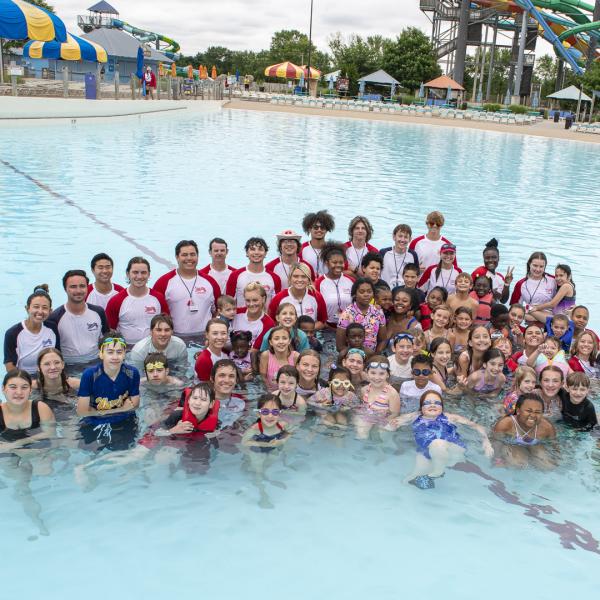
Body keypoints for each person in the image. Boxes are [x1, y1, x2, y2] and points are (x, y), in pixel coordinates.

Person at [388, 390, 493, 489]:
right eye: (427, 402)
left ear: (442, 407)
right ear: (421, 407)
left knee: (437, 444)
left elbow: (476, 426)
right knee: (408, 481)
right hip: (426, 452)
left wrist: (486, 442)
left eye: (437, 403)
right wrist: (392, 427)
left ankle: (436, 474)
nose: (432, 405)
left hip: (452, 451)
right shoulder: (414, 416)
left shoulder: (450, 417)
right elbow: (389, 425)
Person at [76, 332, 140, 451]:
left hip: (124, 421)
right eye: (110, 352)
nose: (115, 357)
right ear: (101, 354)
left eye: (119, 352)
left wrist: (99, 411)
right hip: (94, 422)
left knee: (127, 454)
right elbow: (82, 412)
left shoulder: (132, 373)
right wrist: (120, 409)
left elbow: (135, 405)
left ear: (125, 354)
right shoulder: (90, 375)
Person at [153, 240, 221, 337]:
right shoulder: (164, 282)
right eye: (184, 255)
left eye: (192, 254)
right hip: (175, 336)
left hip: (204, 336)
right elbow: (156, 314)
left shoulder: (210, 282)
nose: (189, 258)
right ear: (177, 257)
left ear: (197, 256)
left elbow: (218, 310)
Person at [46, 269, 108, 365]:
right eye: (73, 287)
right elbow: (53, 351)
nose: (78, 291)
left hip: (96, 362)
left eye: (82, 286)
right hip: (69, 366)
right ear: (65, 289)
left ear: (87, 287)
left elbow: (107, 340)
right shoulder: (55, 318)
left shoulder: (98, 312)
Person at [105, 257, 169, 345]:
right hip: (127, 349)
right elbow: (110, 331)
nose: (139, 276)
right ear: (128, 274)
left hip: (153, 348)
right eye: (135, 272)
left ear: (149, 274)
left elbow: (167, 326)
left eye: (143, 273)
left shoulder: (158, 298)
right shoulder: (116, 301)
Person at [4, 285, 59, 375]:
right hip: (23, 377)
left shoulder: (52, 328)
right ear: (27, 308)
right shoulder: (13, 333)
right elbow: (10, 367)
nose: (40, 311)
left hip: (48, 375)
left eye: (45, 308)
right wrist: (30, 383)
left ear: (50, 311)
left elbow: (58, 356)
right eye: (36, 307)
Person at [492, 393, 557, 470]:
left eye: (537, 412)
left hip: (535, 445)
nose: (533, 415)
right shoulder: (506, 424)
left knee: (548, 466)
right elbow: (495, 442)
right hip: (512, 444)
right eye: (529, 411)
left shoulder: (547, 427)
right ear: (518, 411)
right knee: (518, 463)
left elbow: (555, 447)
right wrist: (497, 460)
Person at [0, 370, 55, 453]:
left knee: (44, 463)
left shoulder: (40, 408)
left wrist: (17, 444)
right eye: (13, 387)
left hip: (36, 447)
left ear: (30, 391)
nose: (19, 392)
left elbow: (50, 433)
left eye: (24, 387)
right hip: (7, 447)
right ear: (3, 389)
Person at [268, 262, 327, 328]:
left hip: (310, 336)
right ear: (290, 278)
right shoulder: (279, 298)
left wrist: (307, 331)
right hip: (287, 337)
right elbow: (272, 321)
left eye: (303, 276)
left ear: (309, 279)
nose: (299, 280)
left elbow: (322, 321)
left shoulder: (316, 296)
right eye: (296, 276)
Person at [354, 356, 400, 439]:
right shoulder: (364, 390)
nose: (377, 377)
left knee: (383, 432)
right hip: (368, 416)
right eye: (373, 373)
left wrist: (377, 424)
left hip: (383, 420)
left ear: (388, 374)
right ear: (367, 372)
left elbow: (394, 414)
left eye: (381, 373)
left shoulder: (392, 394)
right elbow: (362, 407)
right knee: (361, 433)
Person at [226, 237, 281, 306]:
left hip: (265, 316)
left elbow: (276, 306)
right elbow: (228, 305)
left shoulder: (275, 278)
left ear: (265, 253)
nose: (256, 252)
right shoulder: (235, 276)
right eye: (252, 249)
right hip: (241, 316)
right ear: (247, 252)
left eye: (260, 249)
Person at [336, 278, 387, 353]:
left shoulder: (378, 312)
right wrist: (357, 356)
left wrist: (375, 355)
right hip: (353, 357)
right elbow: (340, 346)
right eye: (362, 292)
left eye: (369, 291)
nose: (366, 294)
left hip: (373, 355)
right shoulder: (346, 314)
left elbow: (382, 340)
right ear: (354, 294)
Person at [152, 383, 219, 438]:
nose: (197, 403)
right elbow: (156, 433)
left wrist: (216, 434)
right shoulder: (176, 416)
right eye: (195, 398)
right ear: (189, 400)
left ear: (211, 404)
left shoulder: (216, 422)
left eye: (203, 400)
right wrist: (172, 430)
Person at [314, 242, 354, 327]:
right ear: (326, 263)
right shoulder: (319, 283)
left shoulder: (351, 281)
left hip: (349, 327)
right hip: (327, 328)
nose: (338, 265)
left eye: (341, 262)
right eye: (334, 262)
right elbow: (316, 309)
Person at [232, 282, 276, 350]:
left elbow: (256, 350)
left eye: (255, 300)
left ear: (263, 299)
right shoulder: (235, 313)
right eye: (248, 300)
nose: (251, 304)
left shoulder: (268, 324)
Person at [470, 238, 513, 303]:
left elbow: (503, 301)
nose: (490, 260)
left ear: (498, 258)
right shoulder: (479, 271)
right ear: (483, 259)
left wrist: (507, 284)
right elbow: (469, 290)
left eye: (494, 257)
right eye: (487, 258)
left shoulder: (500, 277)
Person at [259, 326, 298, 392]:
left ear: (289, 341)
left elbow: (298, 378)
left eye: (284, 338)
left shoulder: (295, 356)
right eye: (276, 339)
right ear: (271, 342)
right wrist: (269, 389)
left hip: (290, 391)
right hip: (272, 391)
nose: (281, 342)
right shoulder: (266, 355)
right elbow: (263, 377)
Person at [380, 224, 418, 288]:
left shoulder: (412, 255)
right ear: (394, 237)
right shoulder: (384, 253)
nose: (402, 240)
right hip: (385, 292)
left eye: (406, 237)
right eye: (400, 236)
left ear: (410, 239)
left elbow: (416, 275)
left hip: (404, 293)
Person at [299, 210, 335, 277]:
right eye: (315, 227)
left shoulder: (333, 249)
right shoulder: (301, 249)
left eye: (322, 227)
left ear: (327, 230)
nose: (319, 230)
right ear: (309, 229)